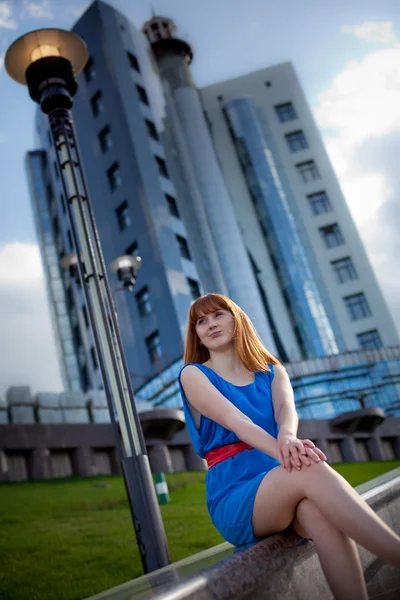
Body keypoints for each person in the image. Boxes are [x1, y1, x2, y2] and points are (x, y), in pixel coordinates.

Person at [178, 293, 400, 600]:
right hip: (235, 493)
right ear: (196, 335)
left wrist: (287, 438)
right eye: (201, 321)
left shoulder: (271, 371)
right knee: (306, 466)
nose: (210, 324)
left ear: (236, 319)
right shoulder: (194, 374)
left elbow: (286, 411)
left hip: (284, 482)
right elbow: (235, 420)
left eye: (218, 315)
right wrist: (286, 452)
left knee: (316, 512)